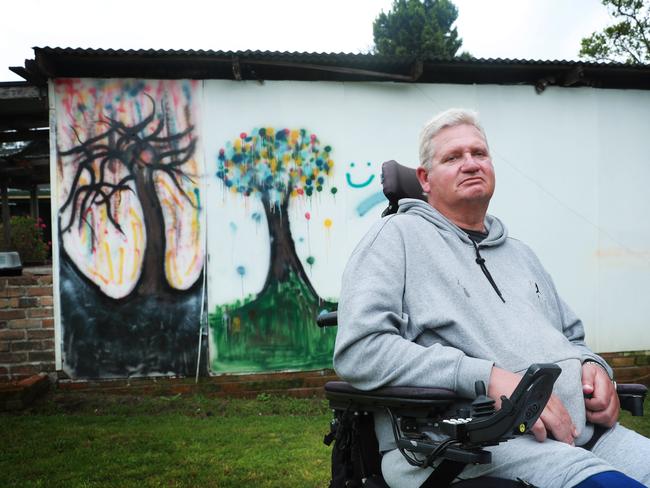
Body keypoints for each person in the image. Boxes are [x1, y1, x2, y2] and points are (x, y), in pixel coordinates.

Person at [333, 108, 650, 488]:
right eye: (453, 157)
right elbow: (360, 350)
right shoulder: (395, 238)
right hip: (473, 446)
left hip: (588, 436)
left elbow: (571, 337)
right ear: (425, 179)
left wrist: (594, 367)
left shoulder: (520, 254)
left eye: (479, 153)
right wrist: (488, 378)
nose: (470, 164)